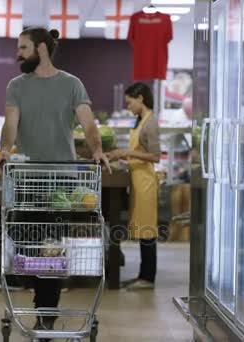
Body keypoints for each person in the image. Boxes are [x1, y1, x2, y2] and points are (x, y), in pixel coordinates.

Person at [0, 27, 109, 336]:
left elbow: (88, 123)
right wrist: (5, 149)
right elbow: (11, 124)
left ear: (41, 48)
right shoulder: (16, 85)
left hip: (62, 177)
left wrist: (97, 150)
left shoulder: (72, 84)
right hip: (29, 176)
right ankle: (40, 299)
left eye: (23, 47)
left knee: (51, 245)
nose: (17, 53)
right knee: (26, 240)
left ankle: (46, 313)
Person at [107, 82, 161, 290]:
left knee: (148, 231)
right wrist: (119, 155)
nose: (128, 107)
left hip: (146, 182)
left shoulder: (151, 123)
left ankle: (148, 278)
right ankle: (142, 275)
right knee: (141, 229)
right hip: (137, 180)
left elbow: (155, 156)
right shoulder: (140, 121)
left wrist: (126, 153)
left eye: (130, 103)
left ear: (141, 99)